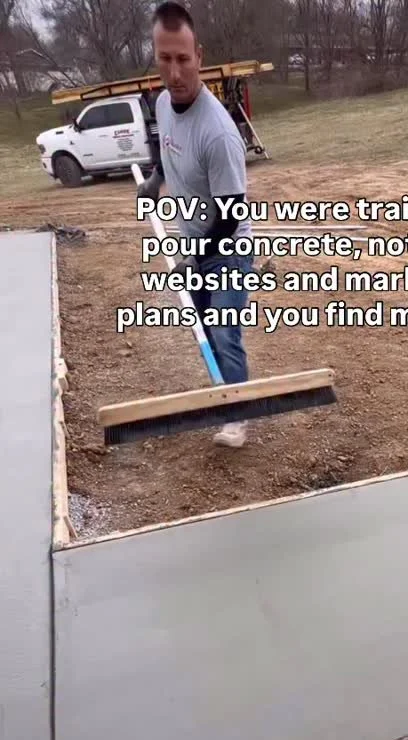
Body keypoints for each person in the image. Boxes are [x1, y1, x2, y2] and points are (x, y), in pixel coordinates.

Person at [138, 1, 253, 448]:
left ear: (199, 57)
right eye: (165, 59)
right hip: (194, 246)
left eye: (183, 59)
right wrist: (155, 179)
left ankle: (237, 418)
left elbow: (230, 217)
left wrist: (196, 258)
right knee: (203, 327)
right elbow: (168, 148)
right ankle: (226, 395)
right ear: (156, 56)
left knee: (223, 332)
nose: (175, 72)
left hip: (228, 250)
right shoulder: (163, 104)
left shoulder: (219, 133)